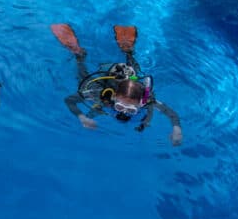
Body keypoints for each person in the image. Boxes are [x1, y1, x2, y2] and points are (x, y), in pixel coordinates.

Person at [51, 23, 182, 146]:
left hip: (128, 78)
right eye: (119, 107)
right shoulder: (100, 95)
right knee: (83, 79)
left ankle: (129, 52)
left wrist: (177, 130)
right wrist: (82, 117)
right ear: (114, 97)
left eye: (131, 110)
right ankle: (79, 55)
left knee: (133, 72)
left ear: (141, 103)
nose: (124, 112)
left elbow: (171, 113)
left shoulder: (147, 101)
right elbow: (69, 100)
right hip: (110, 78)